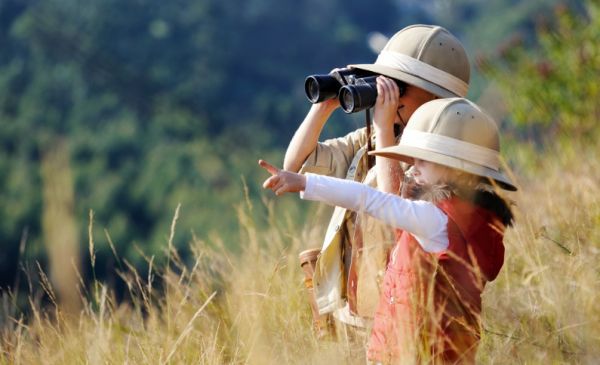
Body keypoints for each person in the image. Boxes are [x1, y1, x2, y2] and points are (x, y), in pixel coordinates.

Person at [259, 97, 516, 364]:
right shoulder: (473, 221)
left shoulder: (435, 219)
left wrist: (303, 182)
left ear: (460, 173)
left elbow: (369, 199)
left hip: (410, 353)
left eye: (425, 161)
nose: (414, 168)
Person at [285, 24, 472, 338]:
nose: (388, 93)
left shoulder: (442, 160)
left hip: (400, 314)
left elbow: (398, 209)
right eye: (384, 82)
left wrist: (385, 131)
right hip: (356, 308)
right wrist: (325, 105)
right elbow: (296, 165)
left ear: (436, 98)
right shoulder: (370, 139)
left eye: (400, 86)